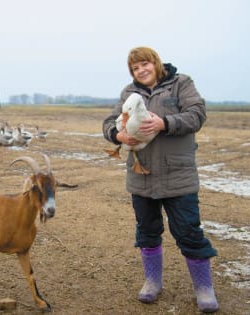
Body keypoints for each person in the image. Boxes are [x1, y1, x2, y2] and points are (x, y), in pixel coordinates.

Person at [102, 46, 219, 313]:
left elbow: (197, 115)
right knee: (147, 231)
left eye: (144, 64)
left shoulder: (181, 84)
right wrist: (117, 136)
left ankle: (204, 287)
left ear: (155, 63)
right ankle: (152, 282)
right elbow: (110, 121)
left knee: (189, 231)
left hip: (177, 175)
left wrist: (163, 123)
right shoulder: (128, 93)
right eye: (134, 68)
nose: (140, 70)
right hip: (141, 177)